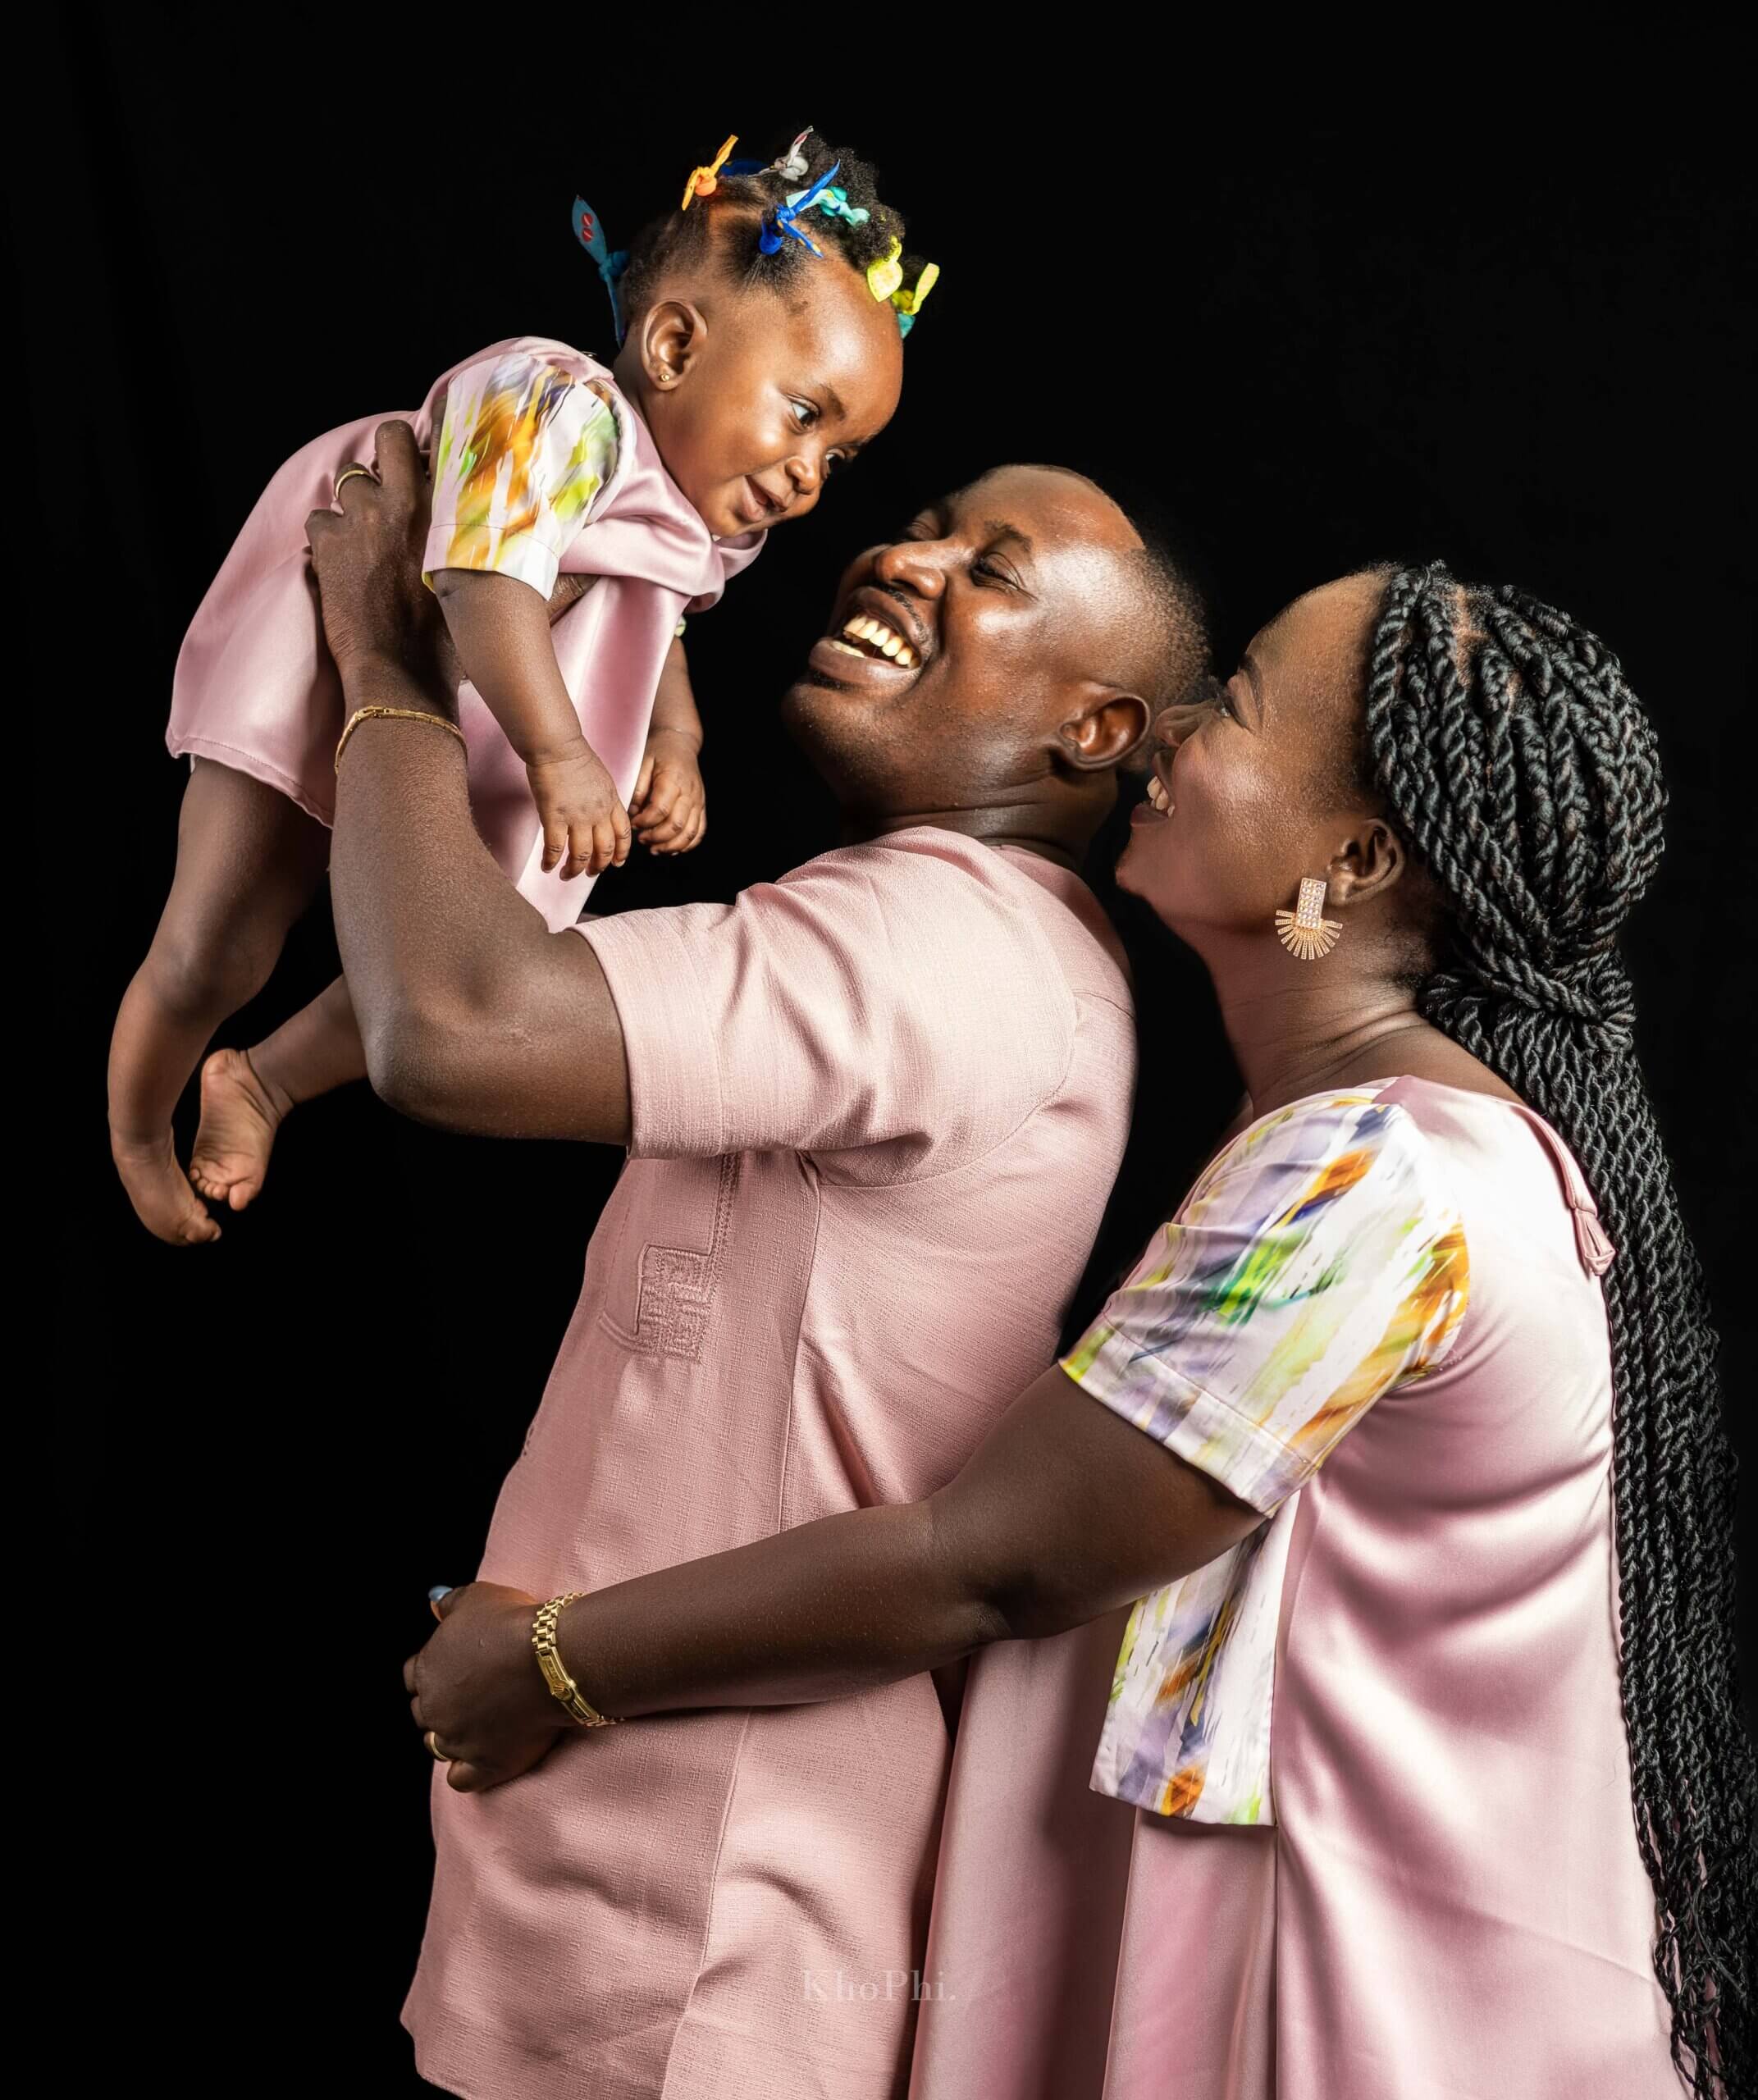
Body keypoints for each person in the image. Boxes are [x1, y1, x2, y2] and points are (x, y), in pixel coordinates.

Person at [405, 566, 1753, 2097]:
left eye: (1236, 704)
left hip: (1368, 2029)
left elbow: (990, 1562)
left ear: (1356, 860)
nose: (1172, 729)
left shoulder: (1372, 1181)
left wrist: (548, 1666)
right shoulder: (1403, 1150)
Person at [304, 422, 1209, 2099]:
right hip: (626, 1900)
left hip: (692, 1939)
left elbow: (451, 1026)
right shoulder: (954, 928)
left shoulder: (947, 941)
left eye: (991, 573)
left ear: (1094, 731)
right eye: (926, 525)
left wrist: (390, 661)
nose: (902, 558)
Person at [107, 127, 927, 1245]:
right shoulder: (551, 403)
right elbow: (481, 573)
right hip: (328, 647)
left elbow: (661, 617)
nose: (808, 475)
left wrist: (675, 741)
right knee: (221, 940)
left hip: (465, 720)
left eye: (837, 456)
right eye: (804, 414)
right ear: (674, 345)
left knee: (472, 944)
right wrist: (560, 753)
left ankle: (263, 1080)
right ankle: (136, 1132)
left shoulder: (705, 521)